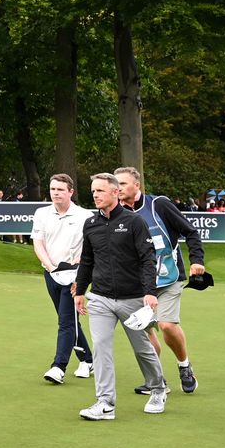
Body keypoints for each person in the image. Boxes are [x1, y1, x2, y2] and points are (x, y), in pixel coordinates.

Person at [73, 173, 167, 420]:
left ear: (115, 193)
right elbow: (87, 260)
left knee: (142, 349)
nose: (95, 195)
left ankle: (158, 389)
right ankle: (105, 403)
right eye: (93, 191)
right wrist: (80, 291)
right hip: (101, 297)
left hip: (133, 298)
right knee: (101, 347)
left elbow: (148, 258)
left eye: (100, 191)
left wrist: (150, 292)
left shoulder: (134, 222)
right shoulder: (91, 224)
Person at [114, 167, 206, 395]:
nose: (118, 189)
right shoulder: (116, 213)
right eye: (116, 185)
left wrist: (197, 260)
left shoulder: (159, 205)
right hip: (140, 284)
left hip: (169, 278)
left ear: (137, 185)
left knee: (166, 324)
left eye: (123, 184)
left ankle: (184, 366)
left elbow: (190, 232)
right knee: (146, 332)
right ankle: (157, 380)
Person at [31, 174, 95, 385]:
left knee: (65, 321)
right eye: (52, 189)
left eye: (60, 189)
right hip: (51, 273)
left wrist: (77, 267)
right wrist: (51, 267)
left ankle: (58, 367)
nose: (55, 193)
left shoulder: (84, 215)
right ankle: (87, 359)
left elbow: (89, 247)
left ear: (70, 192)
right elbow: (38, 243)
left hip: (74, 275)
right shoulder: (42, 213)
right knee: (69, 319)